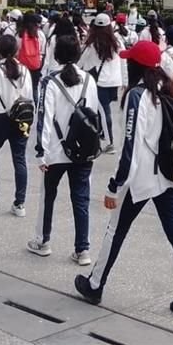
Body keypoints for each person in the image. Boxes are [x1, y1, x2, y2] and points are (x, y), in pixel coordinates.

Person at [74, 40, 173, 318]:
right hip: (171, 178)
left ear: (135, 66)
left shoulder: (136, 96)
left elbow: (129, 148)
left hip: (141, 180)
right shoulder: (166, 89)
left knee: (115, 231)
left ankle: (95, 285)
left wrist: (115, 185)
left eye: (129, 61)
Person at [30, 35, 99, 265]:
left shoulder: (50, 82)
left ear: (56, 54)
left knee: (48, 196)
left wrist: (41, 152)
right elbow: (95, 116)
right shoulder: (89, 80)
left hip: (55, 152)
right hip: (83, 151)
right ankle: (83, 249)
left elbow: (44, 118)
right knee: (81, 199)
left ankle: (43, 240)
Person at [0, 35, 33, 216]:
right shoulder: (25, 70)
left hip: (1, 117)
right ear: (17, 50)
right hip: (22, 118)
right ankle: (20, 203)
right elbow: (30, 95)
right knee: (20, 159)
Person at [78, 13, 127, 154]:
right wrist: (125, 81)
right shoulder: (117, 42)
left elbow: (80, 62)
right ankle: (104, 135)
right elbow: (124, 61)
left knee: (104, 112)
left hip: (100, 82)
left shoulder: (92, 43)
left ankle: (110, 141)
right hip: (115, 81)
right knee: (105, 111)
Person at [17, 12, 48, 99]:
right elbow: (42, 52)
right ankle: (35, 107)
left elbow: (16, 51)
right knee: (34, 88)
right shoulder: (40, 35)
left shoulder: (20, 35)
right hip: (36, 65)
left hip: (22, 66)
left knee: (22, 88)